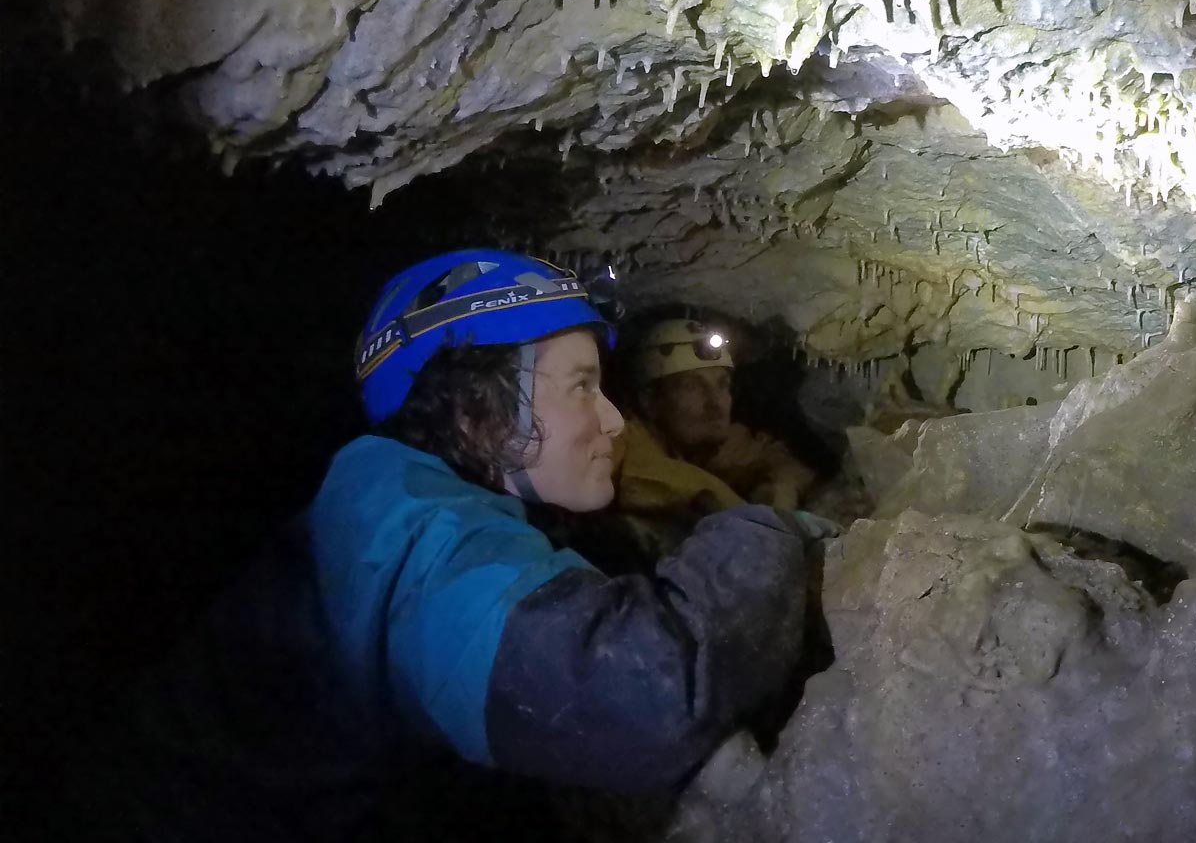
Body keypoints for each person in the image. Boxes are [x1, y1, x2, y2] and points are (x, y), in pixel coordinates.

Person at [84, 250, 817, 839]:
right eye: (582, 387)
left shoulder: (423, 497)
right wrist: (771, 533)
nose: (615, 420)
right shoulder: (406, 526)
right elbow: (645, 692)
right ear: (475, 410)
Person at [612, 318, 819, 530]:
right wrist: (752, 518)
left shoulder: (710, 444)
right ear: (650, 402)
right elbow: (640, 482)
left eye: (722, 385)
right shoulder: (625, 438)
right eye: (692, 386)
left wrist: (780, 484)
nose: (715, 403)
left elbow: (786, 466)